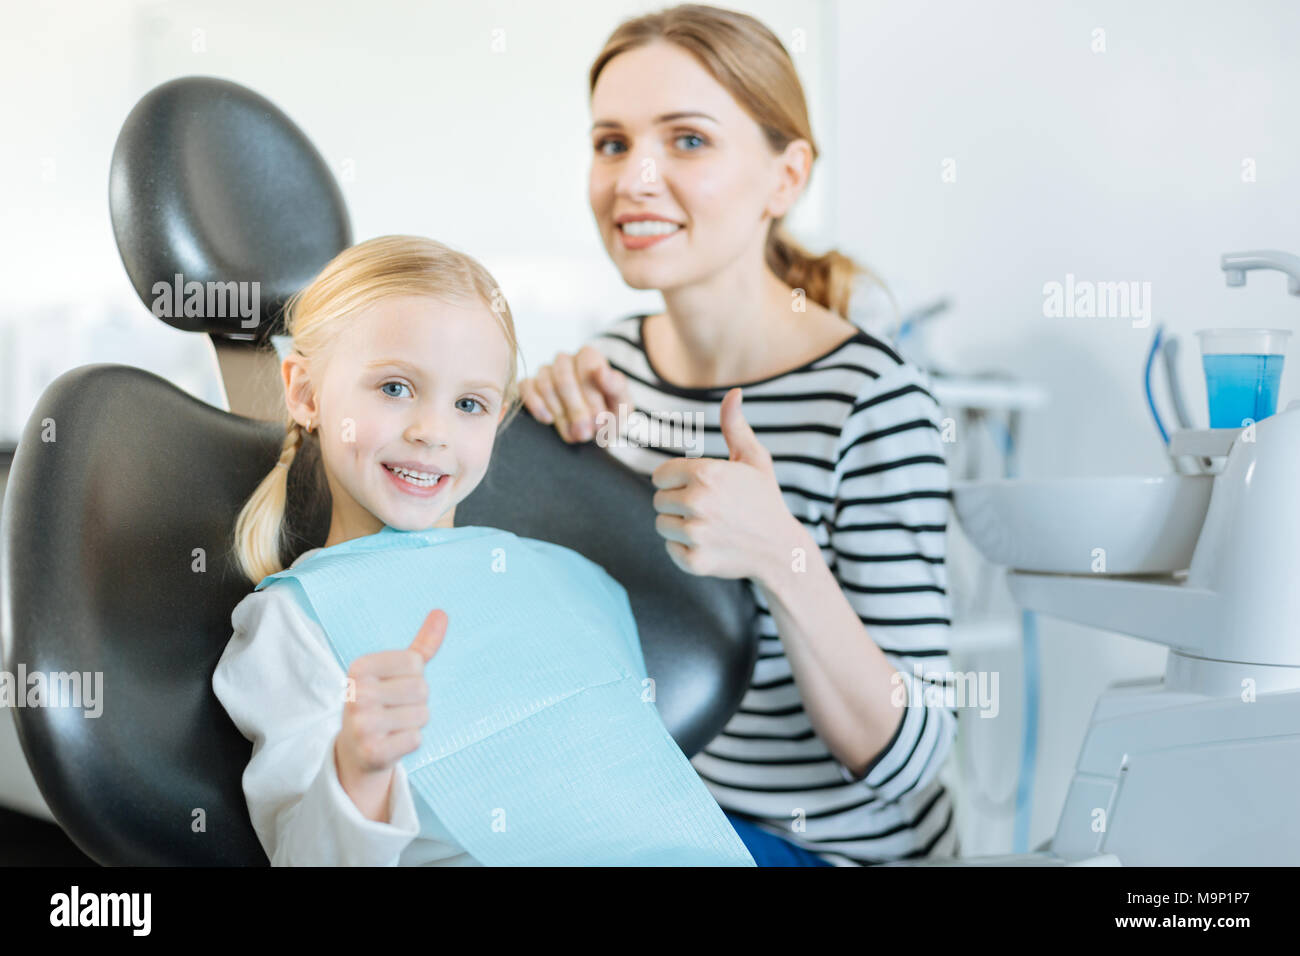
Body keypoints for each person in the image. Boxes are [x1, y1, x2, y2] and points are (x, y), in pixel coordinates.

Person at [519, 4, 959, 866]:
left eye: (687, 140)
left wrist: (781, 553)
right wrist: (521, 446)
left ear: (785, 177)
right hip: (654, 822)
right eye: (612, 143)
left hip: (829, 851)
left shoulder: (871, 400)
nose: (634, 179)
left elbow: (910, 759)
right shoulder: (605, 372)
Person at [211, 235, 749, 866]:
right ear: (304, 393)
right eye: (394, 388)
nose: (431, 431)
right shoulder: (294, 625)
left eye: (469, 404)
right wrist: (358, 772)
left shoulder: (570, 582)